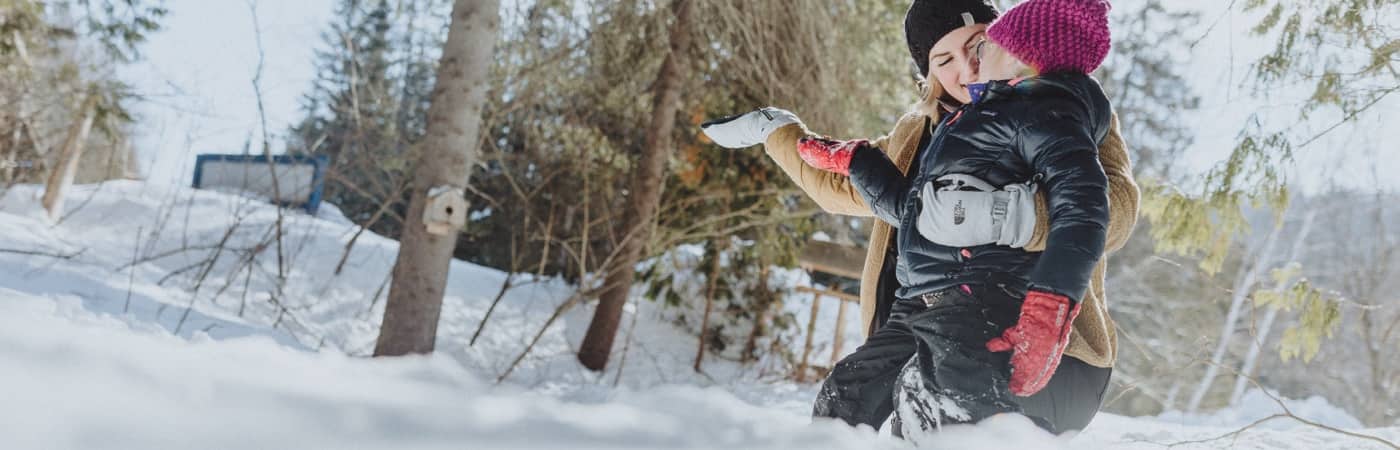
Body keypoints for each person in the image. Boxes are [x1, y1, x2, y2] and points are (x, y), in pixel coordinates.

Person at [699, 0, 1139, 436]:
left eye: (978, 44)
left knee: (930, 400)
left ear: (1009, 40)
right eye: (944, 59)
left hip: (1044, 344)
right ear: (927, 75)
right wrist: (778, 131)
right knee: (850, 401)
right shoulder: (923, 133)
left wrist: (1013, 216)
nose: (966, 68)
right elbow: (847, 190)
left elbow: (1111, 206)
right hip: (924, 319)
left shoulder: (1059, 103)